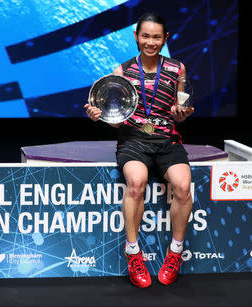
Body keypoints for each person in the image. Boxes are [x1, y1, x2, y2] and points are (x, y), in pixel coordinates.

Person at [84, 12, 194, 288]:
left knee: (183, 186)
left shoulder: (177, 69)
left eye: (157, 37)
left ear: (165, 39)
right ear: (136, 37)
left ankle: (175, 253)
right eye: (145, 36)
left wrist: (181, 115)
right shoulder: (122, 72)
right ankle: (133, 253)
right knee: (136, 183)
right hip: (133, 141)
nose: (150, 42)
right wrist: (101, 116)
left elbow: (179, 109)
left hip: (167, 141)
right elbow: (117, 118)